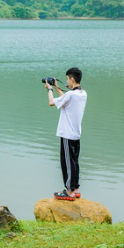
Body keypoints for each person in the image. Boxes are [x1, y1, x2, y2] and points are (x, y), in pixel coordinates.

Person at [44, 67, 87, 201]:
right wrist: (57, 87)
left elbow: (52, 102)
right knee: (74, 162)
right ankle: (76, 188)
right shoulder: (82, 94)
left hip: (67, 134)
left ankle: (69, 191)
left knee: (67, 163)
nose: (67, 81)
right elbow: (66, 99)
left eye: (67, 79)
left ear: (72, 79)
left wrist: (49, 89)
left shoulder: (71, 95)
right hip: (76, 134)